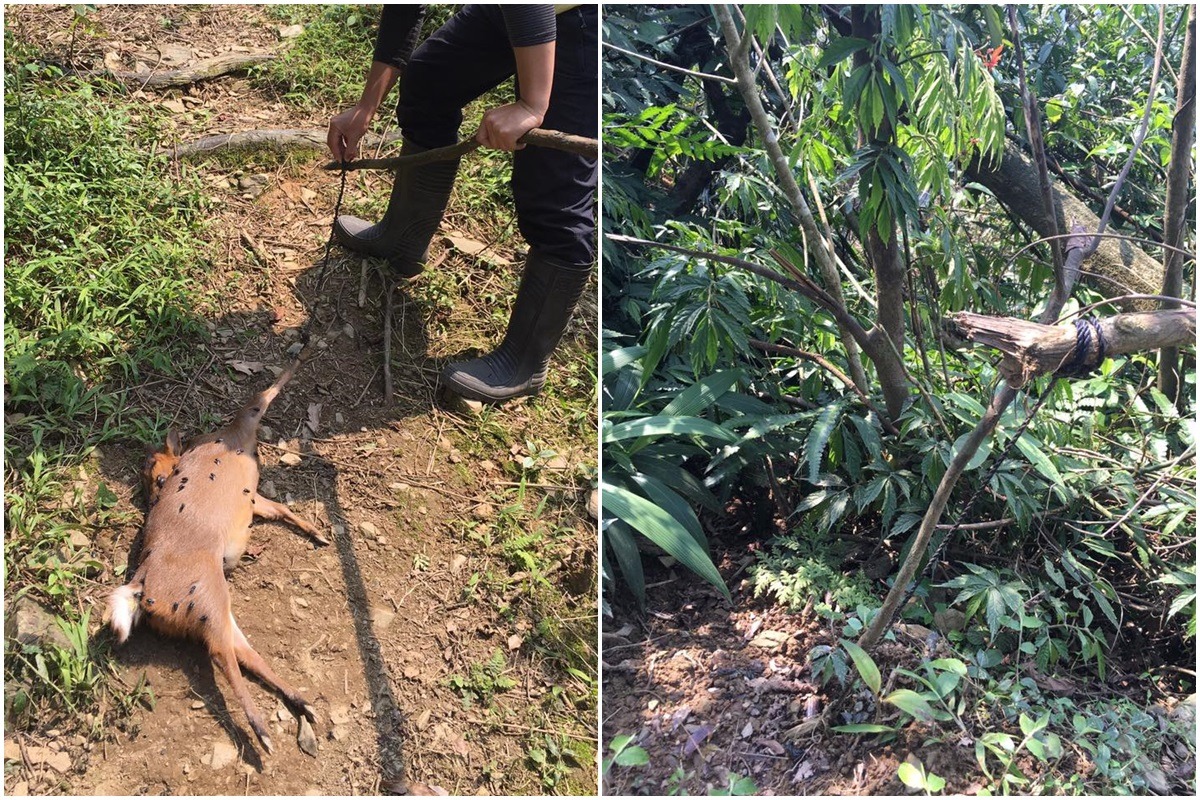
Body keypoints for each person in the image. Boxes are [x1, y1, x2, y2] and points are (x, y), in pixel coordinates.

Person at [327, 5, 597, 403]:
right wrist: (366, 106)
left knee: (555, 187)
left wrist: (532, 105)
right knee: (429, 82)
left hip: (582, 22)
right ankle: (402, 241)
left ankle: (523, 363)